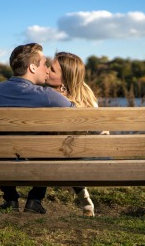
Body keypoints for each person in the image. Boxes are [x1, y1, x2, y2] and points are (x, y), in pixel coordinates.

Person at [0, 43, 73, 214]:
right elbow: (75, 114)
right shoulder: (47, 95)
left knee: (2, 143)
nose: (47, 69)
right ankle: (35, 200)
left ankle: (10, 199)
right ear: (32, 67)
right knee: (49, 141)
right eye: (44, 64)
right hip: (33, 163)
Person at [45, 51, 98, 217]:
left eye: (52, 69)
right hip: (90, 155)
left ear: (65, 79)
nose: (46, 70)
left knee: (48, 151)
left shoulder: (49, 97)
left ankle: (34, 199)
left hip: (63, 155)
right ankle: (85, 201)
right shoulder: (86, 94)